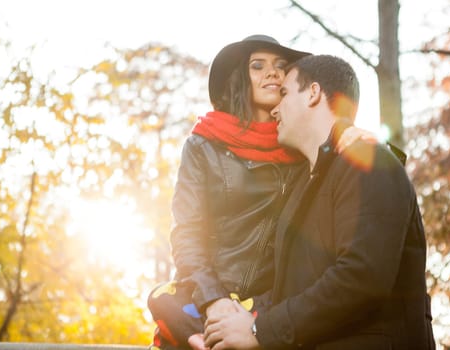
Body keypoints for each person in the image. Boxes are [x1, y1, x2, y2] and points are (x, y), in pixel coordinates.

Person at [146, 37, 375, 350]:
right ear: (241, 76)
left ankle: (213, 337)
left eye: (281, 67)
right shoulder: (203, 145)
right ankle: (206, 333)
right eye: (258, 66)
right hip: (205, 292)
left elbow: (333, 138)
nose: (272, 73)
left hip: (270, 301)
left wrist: (348, 132)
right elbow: (187, 234)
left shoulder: (302, 148)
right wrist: (214, 300)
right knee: (163, 297)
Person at [203, 55, 436, 350]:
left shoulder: (370, 161)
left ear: (313, 93)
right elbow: (293, 292)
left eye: (284, 93)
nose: (274, 108)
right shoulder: (305, 186)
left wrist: (259, 330)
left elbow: (361, 277)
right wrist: (230, 316)